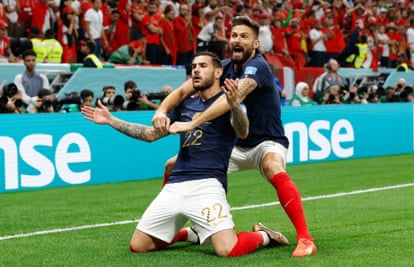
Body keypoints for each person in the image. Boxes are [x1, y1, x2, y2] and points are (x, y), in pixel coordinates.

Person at [81, 51, 289, 257]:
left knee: (227, 249)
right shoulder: (184, 104)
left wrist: (234, 105)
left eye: (203, 66)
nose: (196, 70)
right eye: (194, 67)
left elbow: (243, 131)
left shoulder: (227, 102)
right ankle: (191, 234)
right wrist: (112, 121)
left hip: (207, 185)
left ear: (218, 73)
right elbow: (150, 135)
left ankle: (264, 235)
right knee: (139, 246)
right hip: (176, 185)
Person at [152, 16, 317, 257]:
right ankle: (192, 231)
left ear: (256, 44)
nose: (237, 40)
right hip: (234, 144)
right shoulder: (224, 67)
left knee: (273, 166)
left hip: (265, 141)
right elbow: (182, 90)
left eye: (244, 36)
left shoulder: (258, 66)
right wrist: (161, 110)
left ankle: (305, 238)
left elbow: (236, 96)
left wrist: (195, 122)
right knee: (171, 165)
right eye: (234, 35)